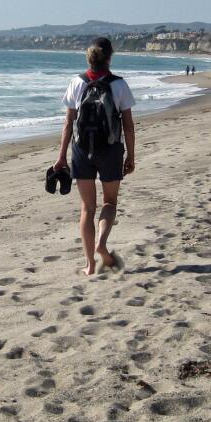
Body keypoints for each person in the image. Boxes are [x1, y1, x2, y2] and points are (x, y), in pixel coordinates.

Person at [54, 37, 135, 276]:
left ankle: (90, 265)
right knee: (109, 203)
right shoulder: (119, 85)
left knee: (87, 208)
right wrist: (130, 155)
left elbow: (68, 124)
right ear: (110, 56)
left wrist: (61, 158)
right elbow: (128, 126)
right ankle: (102, 242)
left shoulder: (77, 83)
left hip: (82, 150)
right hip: (110, 150)